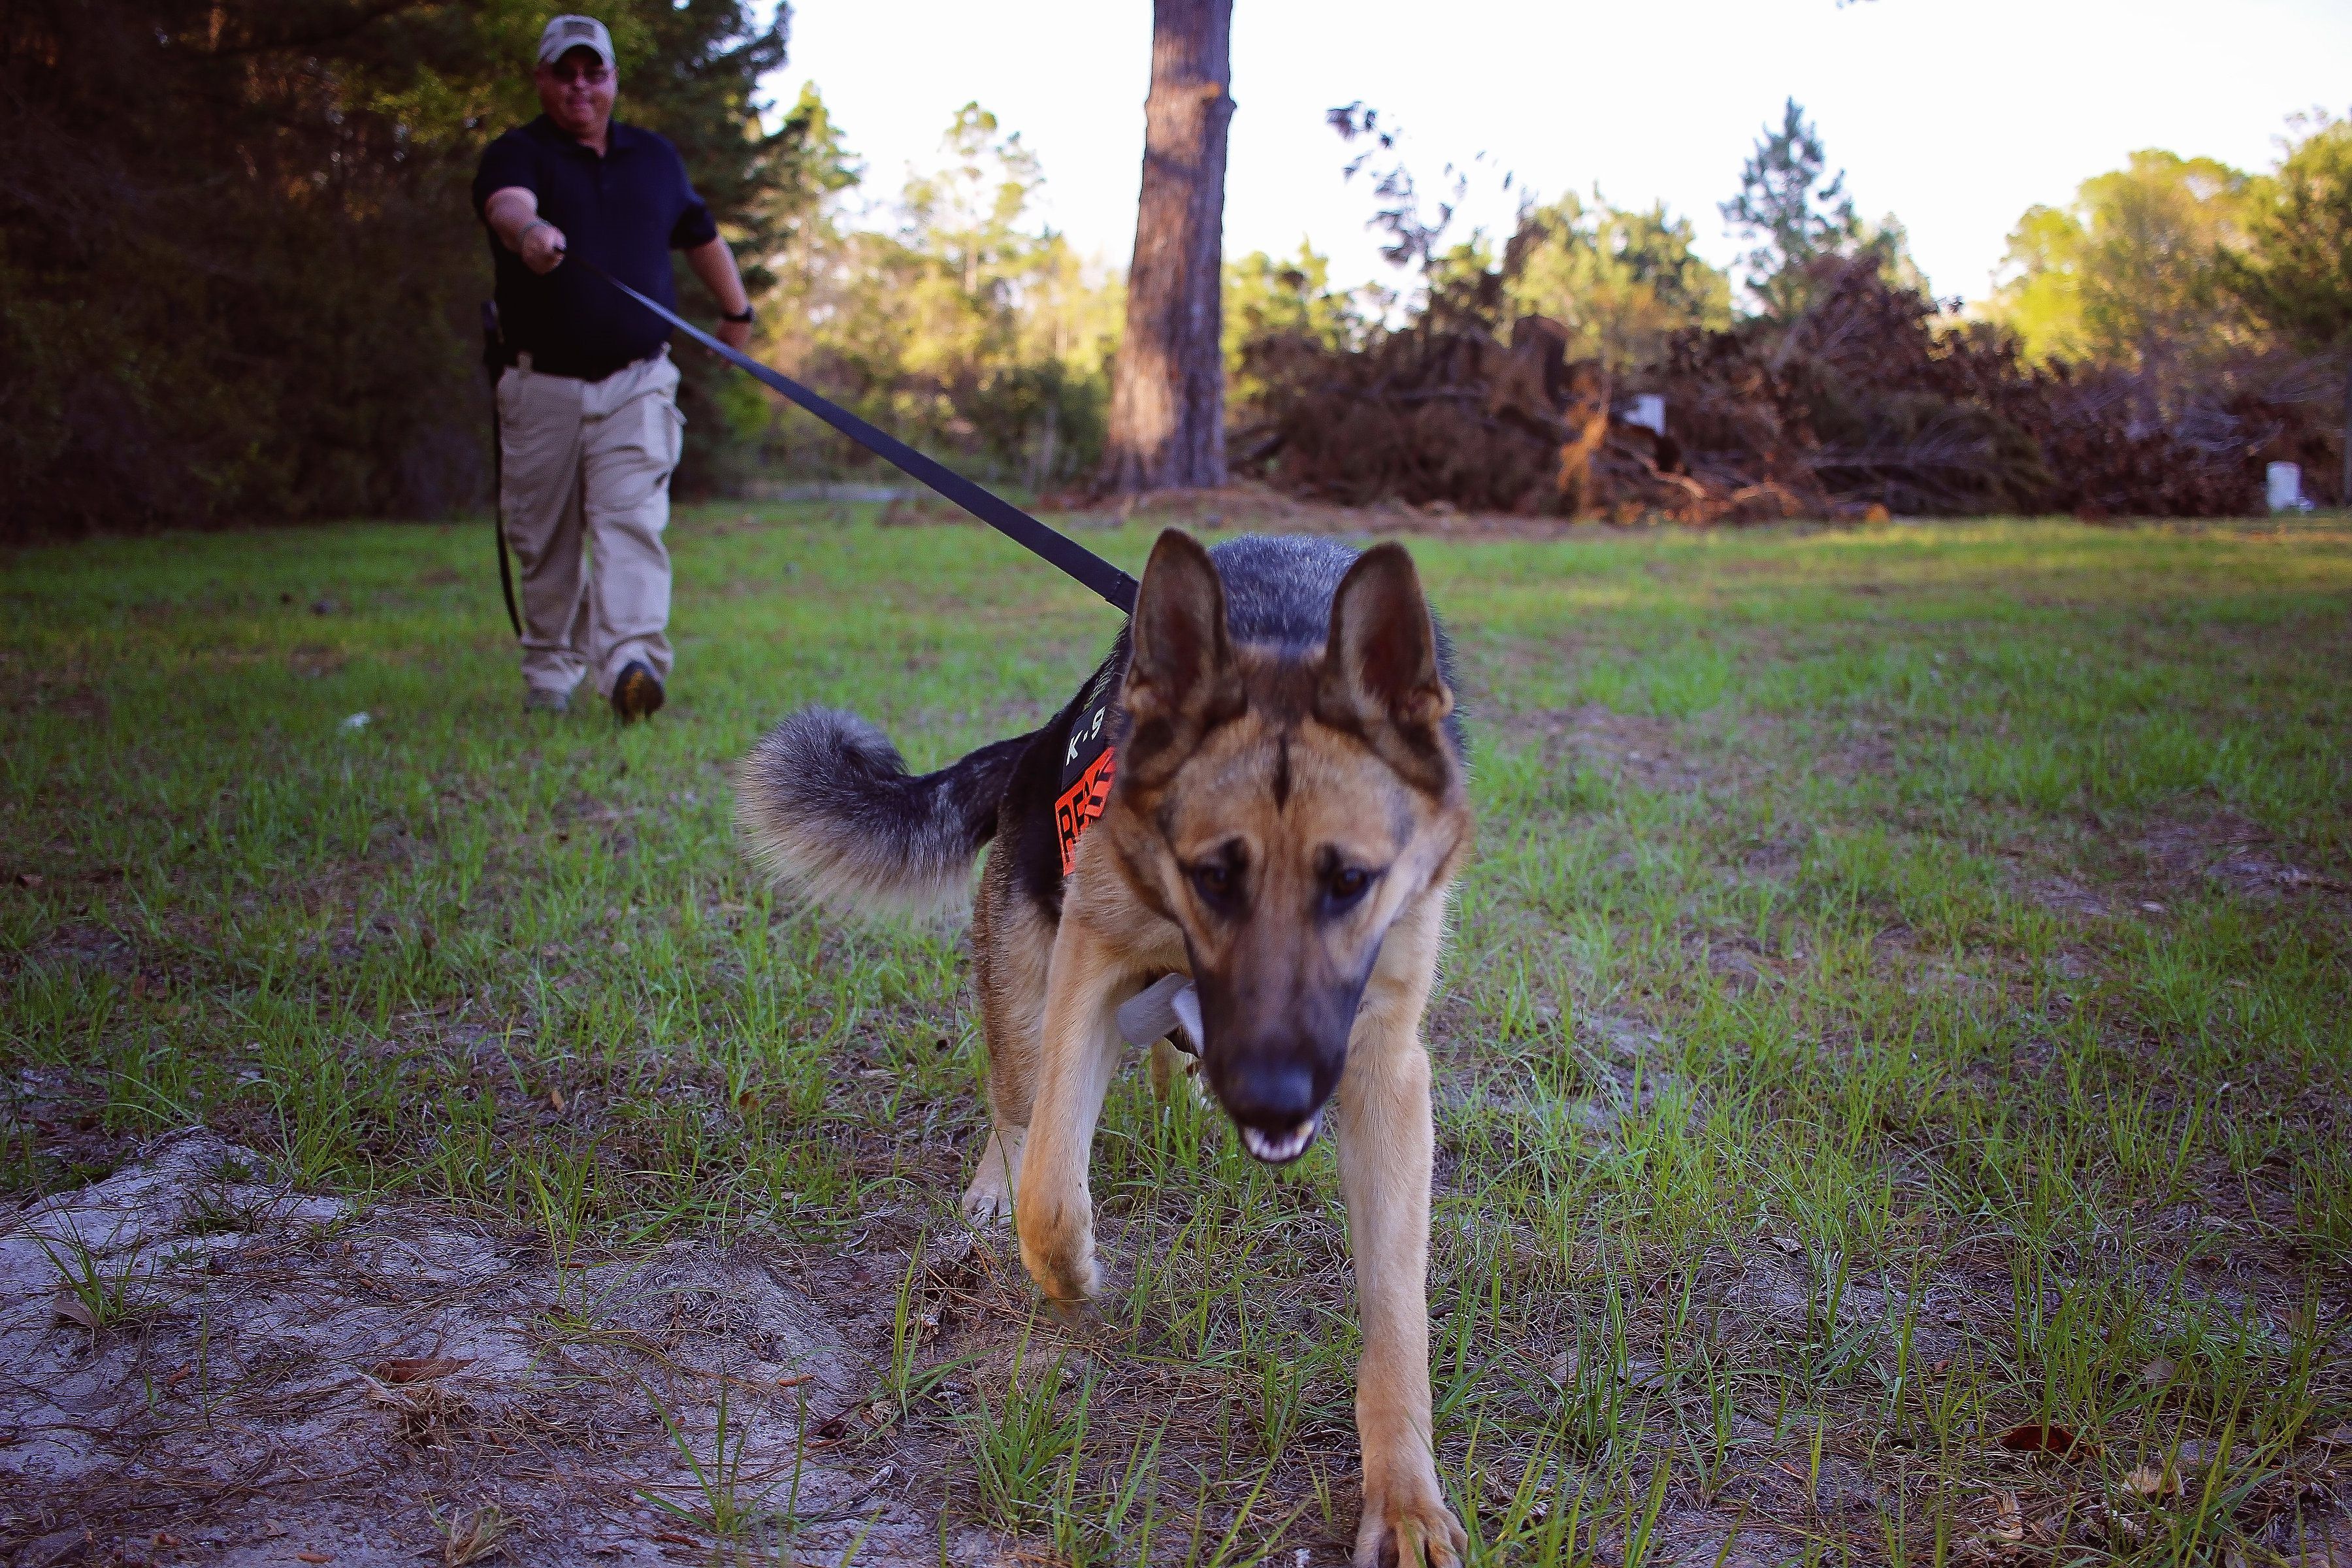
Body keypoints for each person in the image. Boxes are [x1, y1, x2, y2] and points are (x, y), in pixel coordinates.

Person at [472, 14, 755, 721]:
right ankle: (550, 672)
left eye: (592, 72)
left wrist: (737, 312)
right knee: (545, 536)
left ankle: (632, 661)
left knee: (631, 520)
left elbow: (701, 233)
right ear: (542, 80)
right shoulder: (518, 153)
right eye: (563, 73)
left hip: (638, 382)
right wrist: (530, 232)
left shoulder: (654, 159)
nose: (579, 86)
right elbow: (507, 206)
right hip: (541, 385)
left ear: (612, 80)